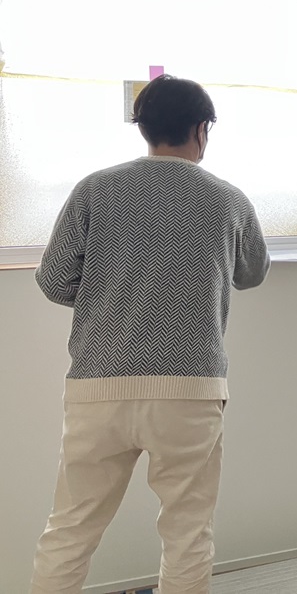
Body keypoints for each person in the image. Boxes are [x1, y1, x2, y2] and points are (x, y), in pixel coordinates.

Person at [30, 75, 270, 594]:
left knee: (71, 527)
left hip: (99, 384)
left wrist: (112, 298)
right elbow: (252, 272)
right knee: (188, 532)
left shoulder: (94, 189)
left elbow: (53, 280)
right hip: (191, 387)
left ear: (143, 128)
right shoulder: (228, 199)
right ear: (201, 129)